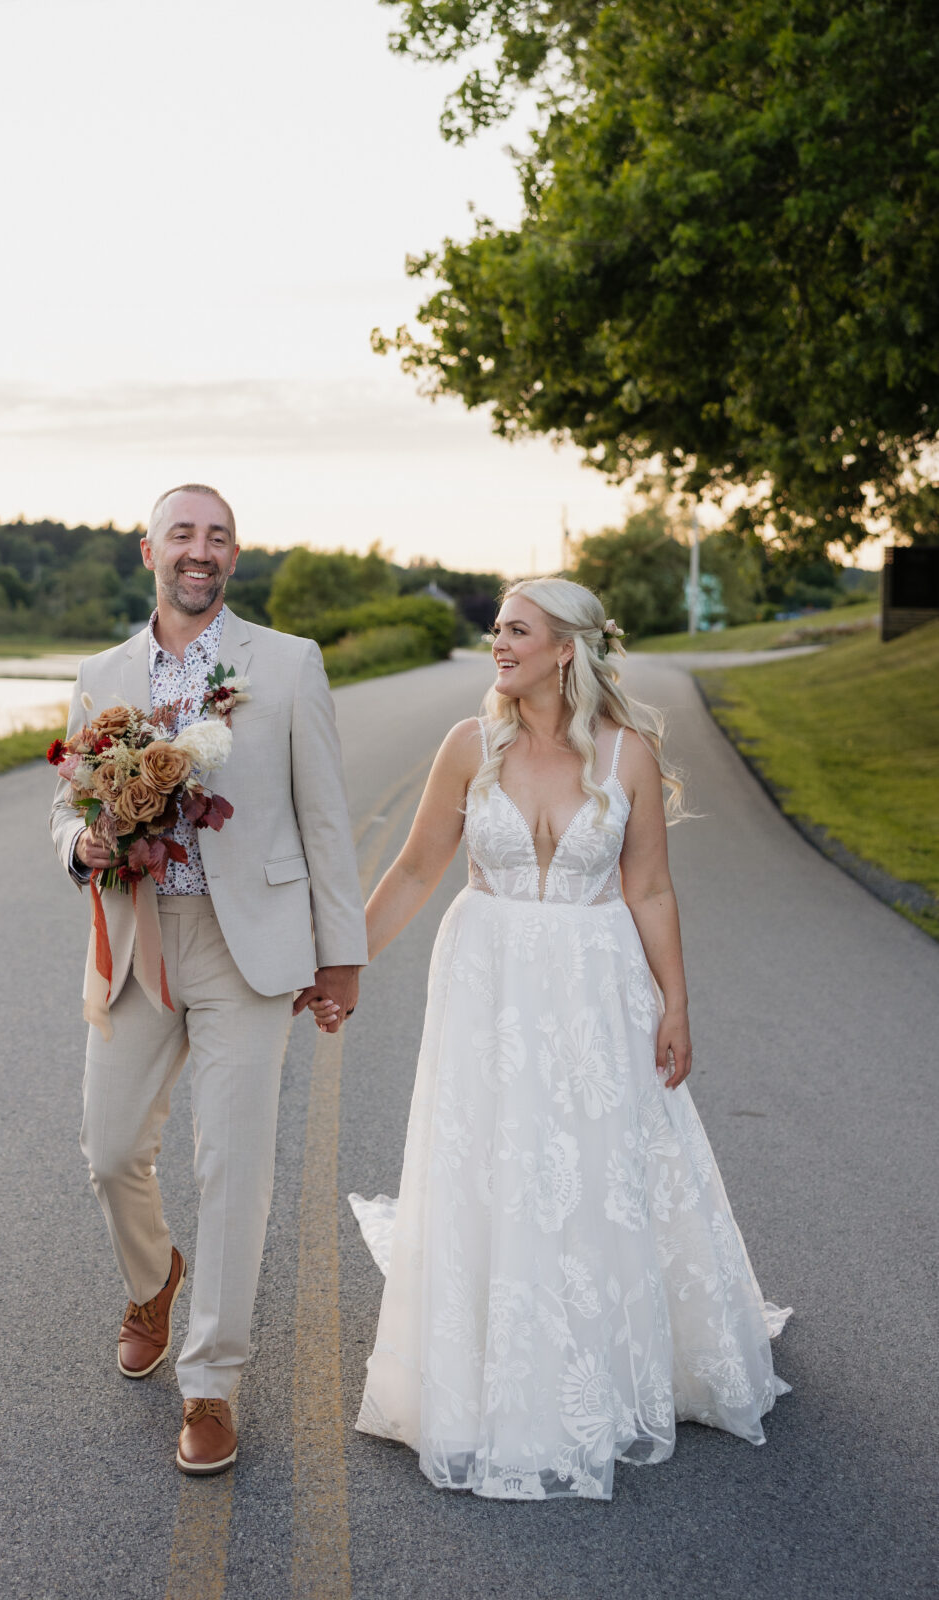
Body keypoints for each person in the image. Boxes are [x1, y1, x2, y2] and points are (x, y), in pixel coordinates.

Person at [315, 576, 790, 1501]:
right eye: (495, 629)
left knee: (595, 1156)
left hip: (593, 982)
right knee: (494, 1154)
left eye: (517, 630)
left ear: (565, 647)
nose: (498, 643)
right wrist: (345, 965)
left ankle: (600, 1348)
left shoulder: (629, 757)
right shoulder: (468, 745)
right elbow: (416, 869)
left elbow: (649, 889)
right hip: (486, 981)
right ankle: (490, 1345)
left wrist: (675, 1005)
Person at [50, 483, 365, 1476]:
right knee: (108, 1150)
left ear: (234, 558)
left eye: (217, 536)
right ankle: (155, 1279)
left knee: (233, 1161)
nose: (201, 549)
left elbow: (324, 817)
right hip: (141, 937)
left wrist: (339, 955)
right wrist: (85, 841)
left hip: (250, 945)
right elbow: (63, 810)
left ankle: (212, 1381)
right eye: (182, 533)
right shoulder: (101, 673)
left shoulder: (288, 664)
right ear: (149, 552)